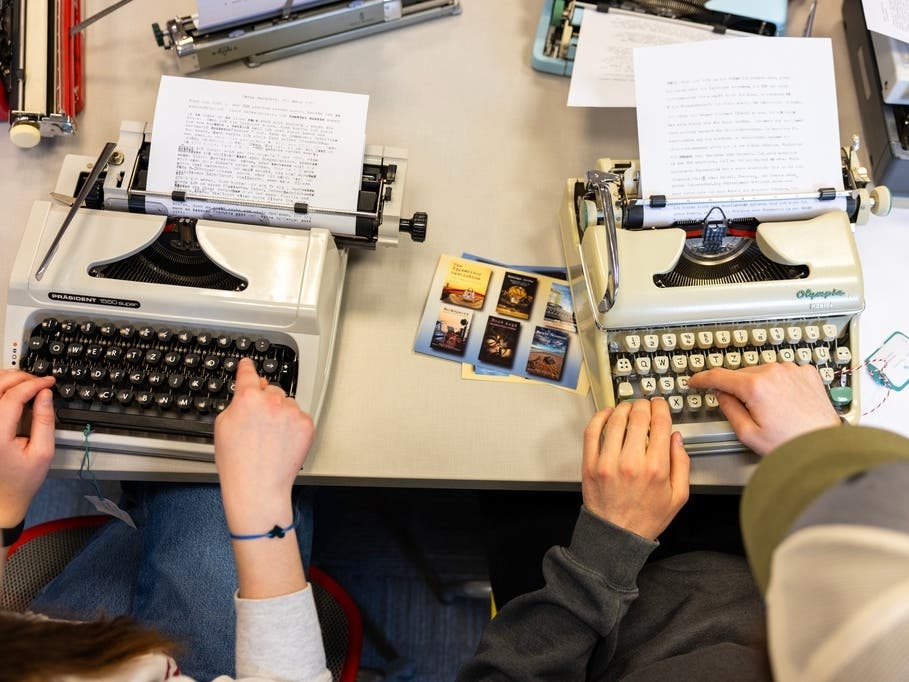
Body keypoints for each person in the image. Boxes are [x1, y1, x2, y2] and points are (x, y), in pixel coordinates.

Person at [459, 362, 909, 681]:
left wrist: (607, 542)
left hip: (607, 617)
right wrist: (820, 448)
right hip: (766, 570)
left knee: (513, 481)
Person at [0, 359, 332, 681]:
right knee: (202, 489)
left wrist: (3, 509)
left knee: (164, 506)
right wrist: (262, 506)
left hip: (49, 647)